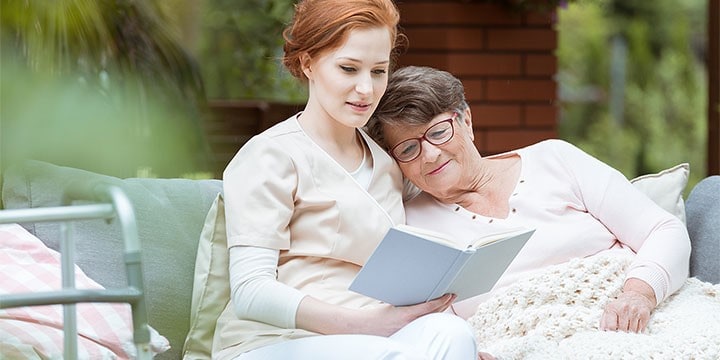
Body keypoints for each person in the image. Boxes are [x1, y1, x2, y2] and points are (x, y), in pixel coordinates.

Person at [214, 3, 479, 360]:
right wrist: (366, 325)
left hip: (374, 337)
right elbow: (249, 290)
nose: (366, 89)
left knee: (453, 333)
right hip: (275, 341)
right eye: (348, 69)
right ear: (308, 63)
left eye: (379, 71)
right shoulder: (271, 156)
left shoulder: (387, 163)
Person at [365, 65, 691, 335]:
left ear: (466, 121)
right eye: (409, 148)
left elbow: (664, 229)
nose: (431, 154)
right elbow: (433, 322)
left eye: (438, 132)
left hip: (633, 313)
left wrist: (639, 294)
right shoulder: (411, 224)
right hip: (524, 340)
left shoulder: (555, 159)